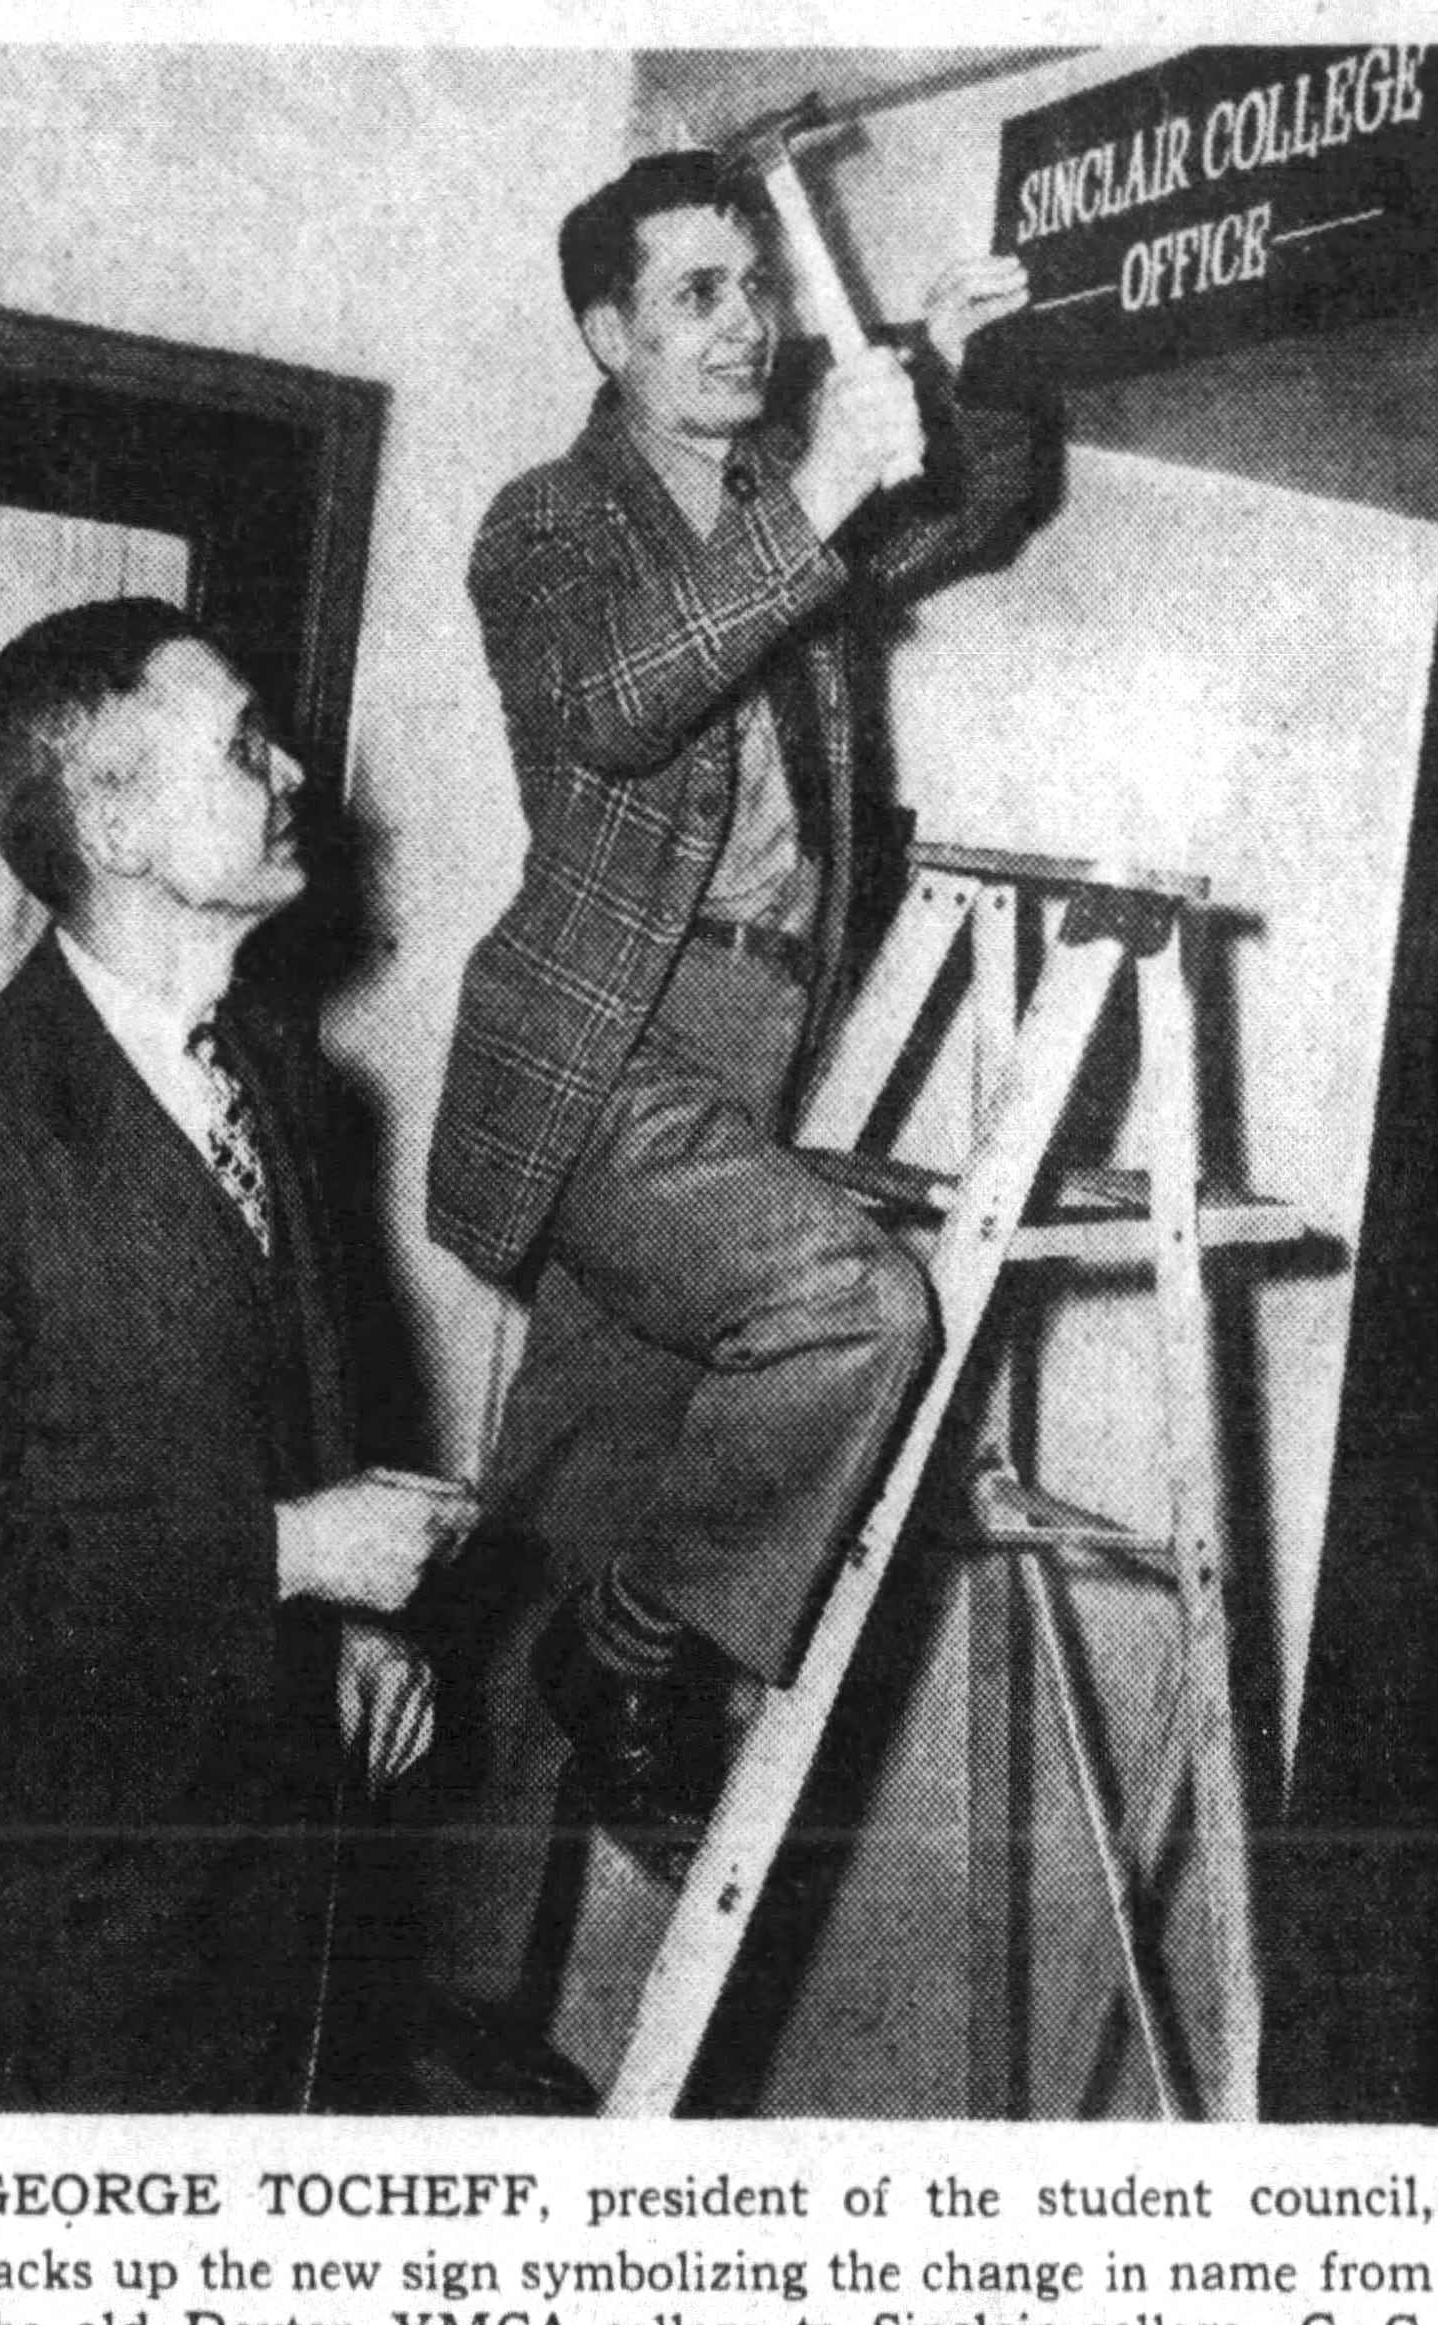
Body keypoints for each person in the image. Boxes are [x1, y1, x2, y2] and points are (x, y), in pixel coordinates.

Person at [426, 153, 1053, 1881]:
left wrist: (936, 369)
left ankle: (476, 1977)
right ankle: (626, 1658)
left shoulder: (795, 495)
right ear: (606, 331)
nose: (746, 320)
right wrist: (825, 482)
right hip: (612, 1049)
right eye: (696, 292)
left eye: (756, 285)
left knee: (561, 1526)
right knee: (858, 1305)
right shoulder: (549, 522)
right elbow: (617, 702)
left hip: (758, 1050)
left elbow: (977, 499)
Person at [0, 599, 595, 2112]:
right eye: (242, 745)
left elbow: (269, 1425)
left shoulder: (283, 1077)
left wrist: (353, 1628)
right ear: (110, 821)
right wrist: (298, 1553)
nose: (294, 767)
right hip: (73, 1935)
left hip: (282, 1883)